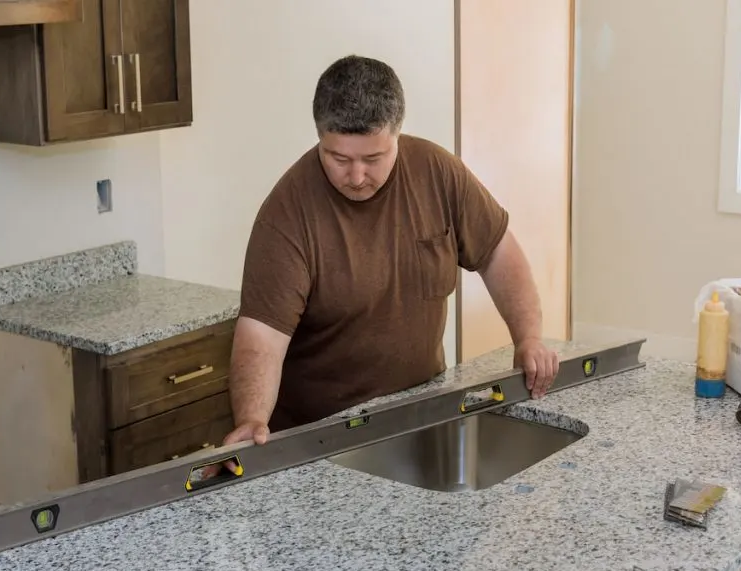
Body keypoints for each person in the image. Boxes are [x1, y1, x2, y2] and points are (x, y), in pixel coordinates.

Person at [223, 55, 558, 448]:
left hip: (422, 416)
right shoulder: (287, 214)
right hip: (322, 436)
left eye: (373, 158)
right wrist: (251, 418)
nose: (357, 176)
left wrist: (529, 338)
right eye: (339, 158)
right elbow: (260, 336)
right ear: (319, 137)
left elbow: (500, 254)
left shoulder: (437, 172)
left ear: (397, 135)